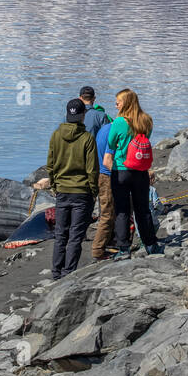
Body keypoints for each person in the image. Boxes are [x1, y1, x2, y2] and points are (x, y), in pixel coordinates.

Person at [42, 98, 98, 279]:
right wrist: (94, 191)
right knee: (75, 235)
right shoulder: (87, 138)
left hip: (63, 191)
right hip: (82, 192)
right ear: (83, 116)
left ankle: (56, 272)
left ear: (68, 114)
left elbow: (50, 165)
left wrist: (54, 184)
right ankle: (68, 272)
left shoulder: (56, 135)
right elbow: (92, 169)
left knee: (61, 234)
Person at [107, 89, 160, 258]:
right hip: (140, 171)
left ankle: (123, 249)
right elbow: (148, 138)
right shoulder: (147, 120)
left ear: (127, 102)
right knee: (142, 209)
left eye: (118, 102)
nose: (116, 105)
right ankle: (150, 244)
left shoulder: (119, 122)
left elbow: (111, 143)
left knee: (122, 210)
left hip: (121, 171)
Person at [87, 92, 118, 261]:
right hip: (105, 174)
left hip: (94, 168)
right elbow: (108, 158)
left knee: (105, 209)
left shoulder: (104, 128)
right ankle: (98, 249)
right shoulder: (106, 124)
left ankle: (111, 242)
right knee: (107, 212)